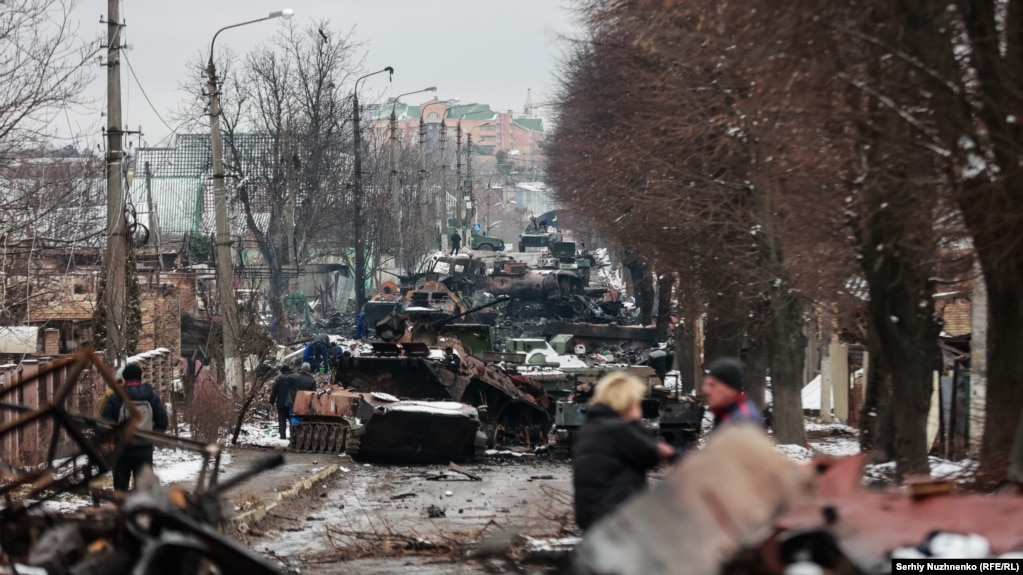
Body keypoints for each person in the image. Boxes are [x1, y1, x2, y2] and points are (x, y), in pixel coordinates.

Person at [572, 372, 675, 530]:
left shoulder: (592, 427)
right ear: (626, 402)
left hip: (595, 516)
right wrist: (634, 422)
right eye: (637, 401)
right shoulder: (616, 429)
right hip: (615, 517)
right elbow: (649, 455)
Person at [102, 363, 169, 491]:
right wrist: (151, 436)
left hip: (122, 450)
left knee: (120, 490)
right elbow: (163, 421)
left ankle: (121, 510)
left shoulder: (116, 397)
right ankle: (141, 510)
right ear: (140, 377)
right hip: (144, 450)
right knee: (143, 491)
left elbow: (106, 423)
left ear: (124, 379)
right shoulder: (150, 396)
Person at [701, 356, 763, 430]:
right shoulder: (726, 414)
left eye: (713, 385)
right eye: (706, 384)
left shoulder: (744, 420)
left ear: (731, 388)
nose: (706, 390)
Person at [268, 365, 296, 440]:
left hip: (281, 403)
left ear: (281, 371)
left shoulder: (278, 379)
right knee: (291, 420)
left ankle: (282, 437)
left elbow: (274, 392)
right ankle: (293, 436)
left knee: (282, 421)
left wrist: (271, 402)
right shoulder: (293, 379)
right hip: (291, 403)